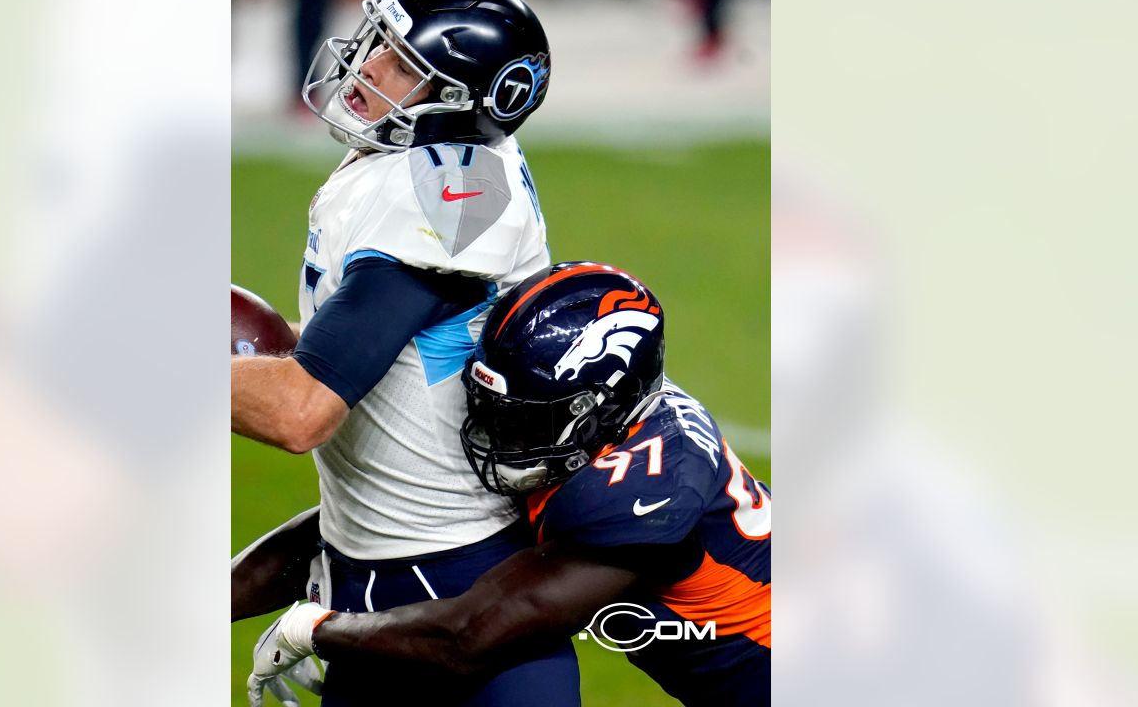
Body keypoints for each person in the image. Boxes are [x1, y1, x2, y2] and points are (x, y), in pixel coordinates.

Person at [230, 0, 575, 704]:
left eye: (403, 61)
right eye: (378, 41)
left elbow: (302, 412)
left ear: (461, 104)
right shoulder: (404, 161)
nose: (370, 64)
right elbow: (370, 353)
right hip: (376, 577)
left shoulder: (457, 192)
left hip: (458, 592)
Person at [249, 263, 772, 707]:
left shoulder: (642, 491)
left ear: (598, 409)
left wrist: (316, 630)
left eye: (525, 419)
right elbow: (369, 526)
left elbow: (468, 637)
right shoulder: (604, 424)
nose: (492, 430)